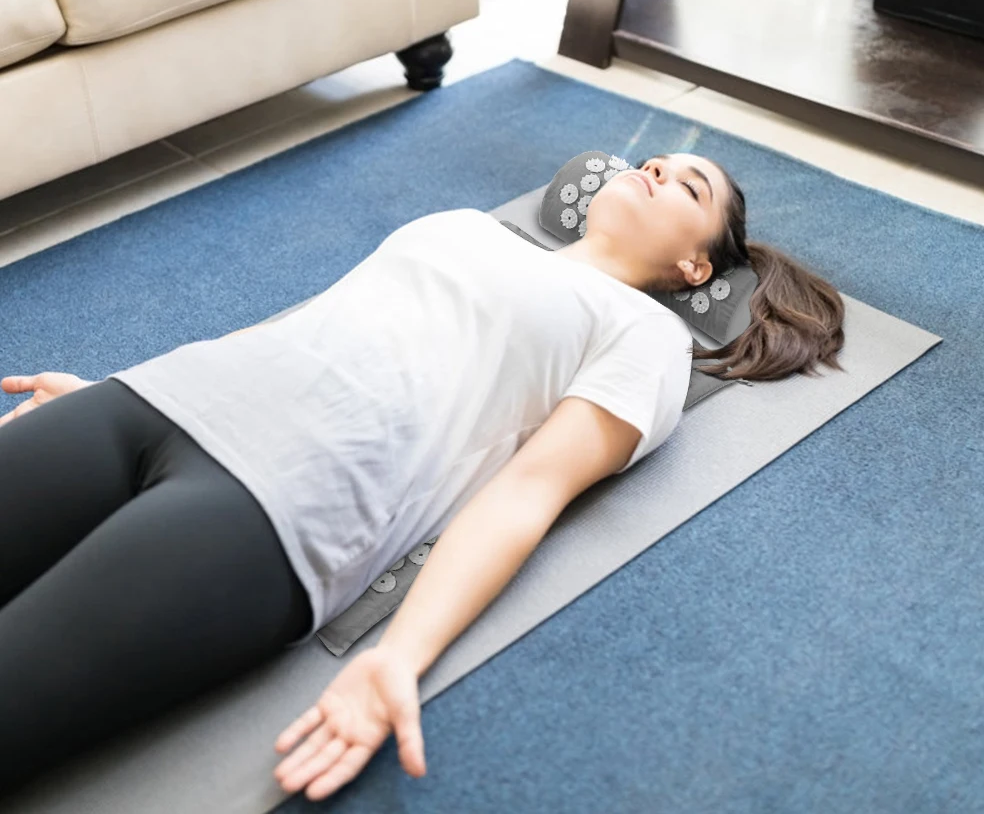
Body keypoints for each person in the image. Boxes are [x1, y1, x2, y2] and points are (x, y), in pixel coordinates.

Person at [0, 153, 844, 801]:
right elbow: (318, 318)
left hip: (276, 503)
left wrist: (401, 656)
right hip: (157, 400)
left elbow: (530, 492)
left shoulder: (645, 336)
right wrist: (117, 382)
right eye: (654, 160)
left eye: (688, 187)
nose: (656, 169)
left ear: (696, 268)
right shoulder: (468, 227)